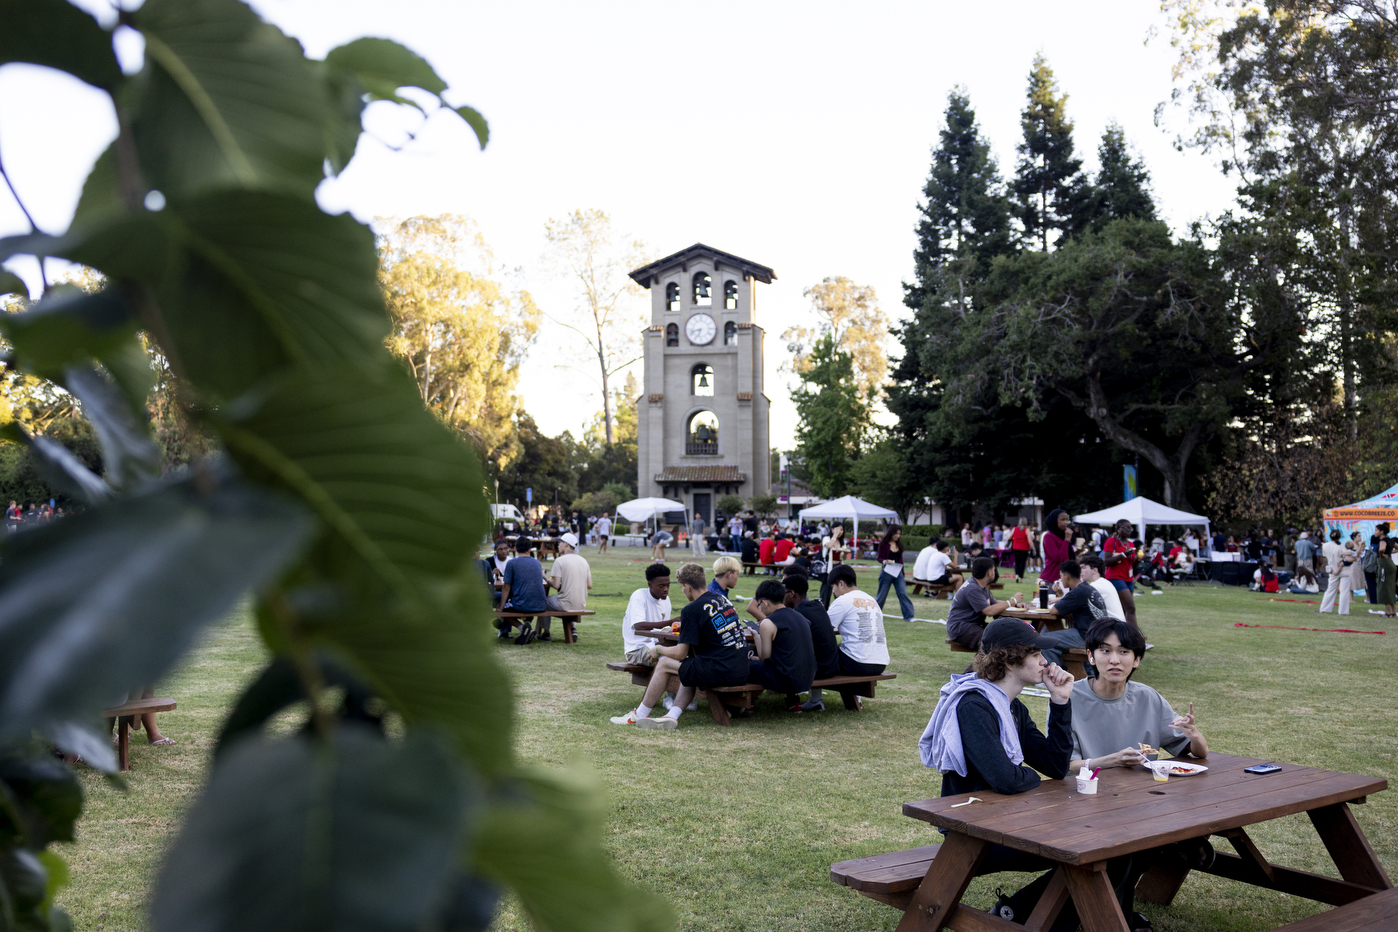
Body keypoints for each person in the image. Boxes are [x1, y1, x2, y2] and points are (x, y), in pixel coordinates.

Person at [919, 619, 1128, 929]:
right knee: (1096, 852)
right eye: (1036, 654)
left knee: (1114, 850)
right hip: (974, 833)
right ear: (1008, 658)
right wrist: (1026, 776)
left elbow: (1056, 767)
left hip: (1012, 822)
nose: (1046, 661)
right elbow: (1005, 780)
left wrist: (1060, 701)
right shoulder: (974, 706)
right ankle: (1026, 916)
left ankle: (1020, 912)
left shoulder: (1013, 708)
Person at [609, 562, 749, 729]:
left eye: (681, 587)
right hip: (742, 668)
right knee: (690, 666)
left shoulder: (691, 609)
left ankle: (638, 715)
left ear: (686, 586)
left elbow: (680, 653)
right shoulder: (722, 599)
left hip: (722, 671)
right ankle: (671, 715)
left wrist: (658, 649)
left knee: (664, 662)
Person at [745, 579, 817, 711]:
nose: (760, 607)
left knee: (744, 668)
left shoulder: (768, 623)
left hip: (785, 680)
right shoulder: (801, 617)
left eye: (759, 604)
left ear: (765, 602)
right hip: (808, 678)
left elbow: (765, 659)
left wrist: (756, 636)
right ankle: (793, 702)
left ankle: (746, 703)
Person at [825, 564, 888, 689]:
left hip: (857, 663)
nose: (833, 591)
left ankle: (815, 699)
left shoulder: (842, 601)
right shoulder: (872, 600)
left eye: (833, 587)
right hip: (881, 663)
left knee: (819, 652)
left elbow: (823, 630)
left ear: (841, 584)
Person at [1040, 559, 1112, 669]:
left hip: (1087, 636)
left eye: (1061, 576)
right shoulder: (1087, 588)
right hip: (1099, 633)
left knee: (1045, 639)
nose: (1060, 579)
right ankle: (1065, 669)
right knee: (1054, 637)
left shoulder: (1077, 591)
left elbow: (1054, 611)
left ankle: (1051, 674)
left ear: (1067, 576)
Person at [783, 573, 840, 712]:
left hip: (818, 670)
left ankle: (792, 702)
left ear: (791, 593)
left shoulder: (798, 614)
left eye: (783, 592)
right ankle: (815, 700)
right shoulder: (817, 606)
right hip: (832, 665)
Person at [946, 557, 1024, 651]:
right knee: (990, 640)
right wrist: (1012, 601)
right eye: (994, 570)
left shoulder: (981, 585)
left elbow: (994, 603)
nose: (995, 573)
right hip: (961, 628)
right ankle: (978, 665)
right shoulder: (973, 588)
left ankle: (988, 664)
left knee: (1003, 633)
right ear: (989, 572)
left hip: (971, 624)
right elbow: (989, 611)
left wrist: (1014, 604)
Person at [543, 532, 592, 641]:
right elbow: (589, 585)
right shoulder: (584, 561)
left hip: (565, 604)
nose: (557, 545)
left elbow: (555, 585)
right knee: (568, 598)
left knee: (543, 601)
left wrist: (544, 577)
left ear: (566, 544)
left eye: (559, 543)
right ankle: (573, 628)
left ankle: (546, 633)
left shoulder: (559, 561)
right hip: (581, 604)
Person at [621, 563, 672, 666]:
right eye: (661, 586)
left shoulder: (666, 600)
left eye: (668, 585)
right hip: (637, 650)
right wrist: (670, 622)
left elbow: (664, 631)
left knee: (683, 654)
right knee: (667, 660)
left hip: (657, 645)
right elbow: (638, 626)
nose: (666, 589)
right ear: (650, 585)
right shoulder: (639, 596)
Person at [500, 537, 548, 644]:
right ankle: (527, 625)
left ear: (515, 549)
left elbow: (506, 587)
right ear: (530, 550)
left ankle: (523, 628)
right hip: (540, 604)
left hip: (522, 604)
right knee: (528, 598)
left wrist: (501, 606)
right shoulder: (537, 563)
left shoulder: (512, 563)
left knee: (502, 611)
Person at [1101, 519, 1139, 627]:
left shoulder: (1131, 544)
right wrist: (1123, 554)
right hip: (1115, 577)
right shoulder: (1111, 541)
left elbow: (1132, 566)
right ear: (1118, 529)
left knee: (1122, 609)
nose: (1129, 530)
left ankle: (1122, 635)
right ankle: (1135, 637)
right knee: (1130, 608)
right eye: (1126, 527)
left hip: (1129, 579)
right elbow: (1106, 561)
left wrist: (1138, 560)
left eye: (1131, 528)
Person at [874, 525, 915, 623]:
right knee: (882, 595)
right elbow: (879, 558)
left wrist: (903, 574)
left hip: (898, 572)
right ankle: (874, 615)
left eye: (899, 534)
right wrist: (885, 561)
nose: (897, 536)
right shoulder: (883, 544)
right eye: (896, 533)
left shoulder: (899, 545)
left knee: (903, 593)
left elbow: (901, 560)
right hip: (887, 572)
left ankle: (909, 616)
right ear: (891, 533)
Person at [1079, 555, 1126, 621]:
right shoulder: (1104, 582)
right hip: (1115, 625)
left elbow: (1076, 601)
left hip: (1112, 627)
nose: (1080, 571)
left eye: (1083, 568)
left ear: (1095, 570)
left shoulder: (1096, 586)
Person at [1039, 509, 1073, 589]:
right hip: (1052, 578)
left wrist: (1077, 553)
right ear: (1054, 521)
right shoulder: (1049, 536)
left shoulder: (1062, 535)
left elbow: (1065, 555)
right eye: (1062, 520)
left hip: (1066, 577)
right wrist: (1067, 540)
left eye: (1066, 519)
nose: (1065, 522)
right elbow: (1057, 557)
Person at [819, 524, 847, 604]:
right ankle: (824, 608)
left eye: (841, 530)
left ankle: (839, 607)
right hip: (828, 568)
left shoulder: (842, 542)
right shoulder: (827, 538)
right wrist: (835, 535)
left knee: (839, 590)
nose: (840, 532)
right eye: (838, 529)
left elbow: (843, 558)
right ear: (832, 529)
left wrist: (844, 553)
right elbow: (829, 546)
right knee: (826, 591)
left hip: (838, 566)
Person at [1375, 523, 1396, 618]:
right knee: (1391, 588)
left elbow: (1381, 549)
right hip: (1391, 564)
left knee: (1385, 587)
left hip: (1385, 565)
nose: (1375, 532)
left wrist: (1382, 555)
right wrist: (1390, 552)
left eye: (1376, 530)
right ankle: (1393, 613)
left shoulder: (1383, 540)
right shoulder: (1390, 540)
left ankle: (1387, 613)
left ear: (1381, 531)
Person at [1009, 517, 1032, 581]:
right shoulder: (1027, 530)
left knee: (1017, 562)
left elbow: (1009, 537)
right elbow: (1030, 540)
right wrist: (1033, 548)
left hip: (1016, 548)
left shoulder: (1015, 529)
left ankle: (1017, 576)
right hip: (1024, 548)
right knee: (1022, 563)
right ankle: (1021, 578)